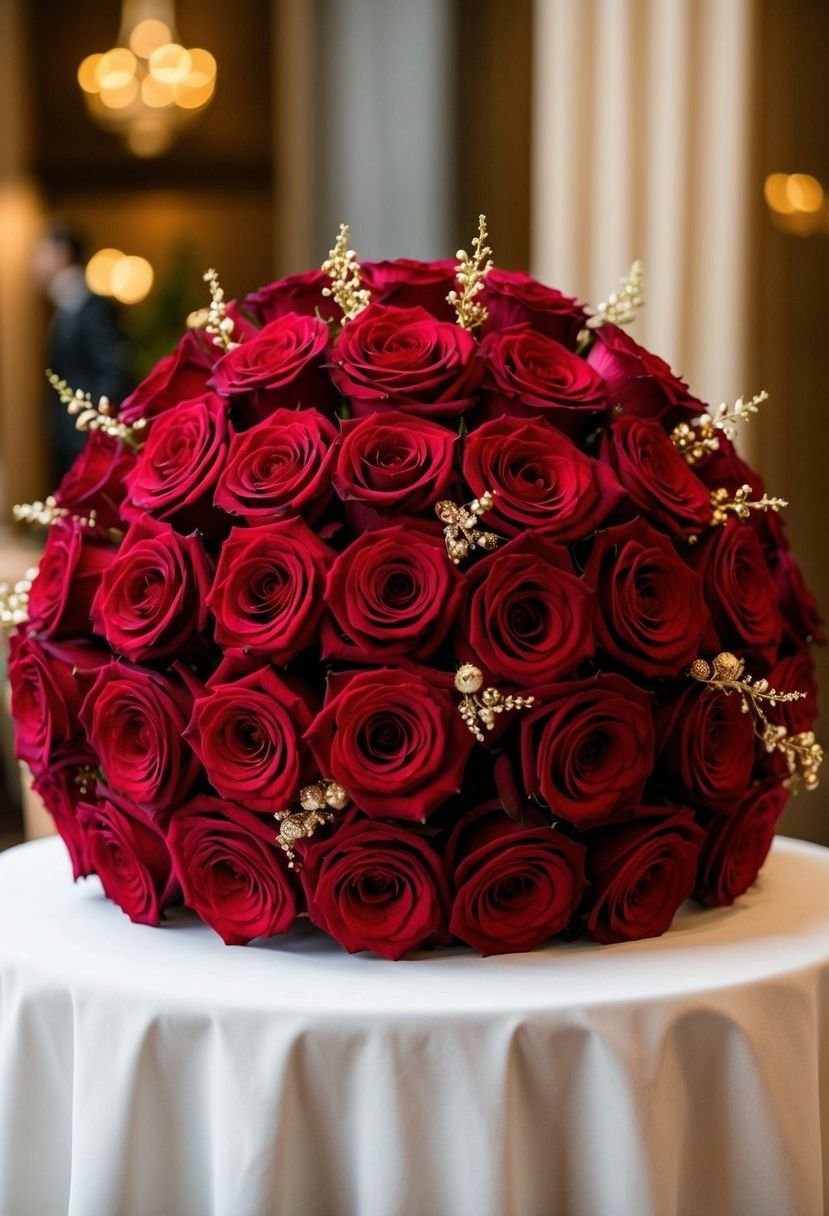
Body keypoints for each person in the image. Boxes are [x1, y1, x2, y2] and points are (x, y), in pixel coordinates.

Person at [32, 223, 132, 480]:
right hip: (67, 438)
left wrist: (93, 427)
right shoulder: (64, 305)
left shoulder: (93, 308)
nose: (35, 261)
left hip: (87, 437)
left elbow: (113, 370)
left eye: (42, 252)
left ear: (62, 254)